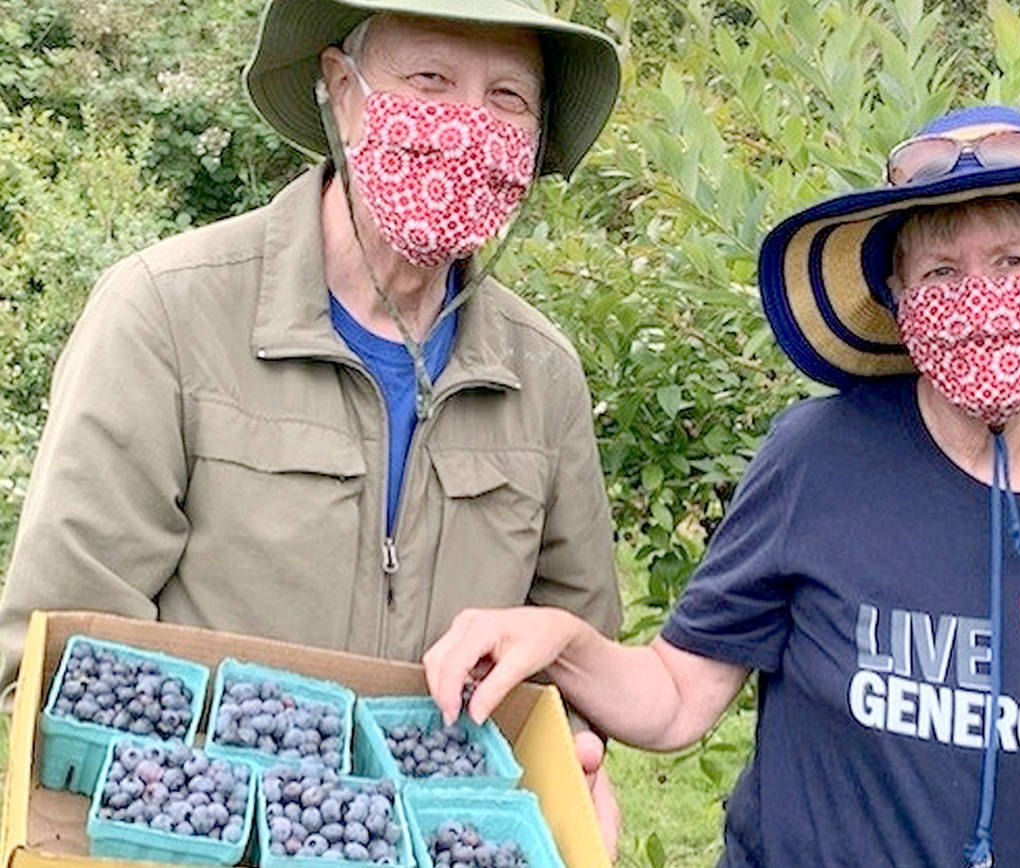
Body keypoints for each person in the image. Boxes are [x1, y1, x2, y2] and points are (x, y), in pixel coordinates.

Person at [423, 105, 1020, 867]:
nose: (981, 298)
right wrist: (560, 641)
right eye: (942, 271)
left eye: (1013, 262)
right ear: (901, 303)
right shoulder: (819, 459)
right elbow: (675, 695)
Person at [0, 0, 624, 845]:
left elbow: (571, 664)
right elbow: (52, 664)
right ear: (343, 88)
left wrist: (580, 769)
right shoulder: (169, 319)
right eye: (431, 80)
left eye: (507, 97)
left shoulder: (541, 374)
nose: (468, 126)